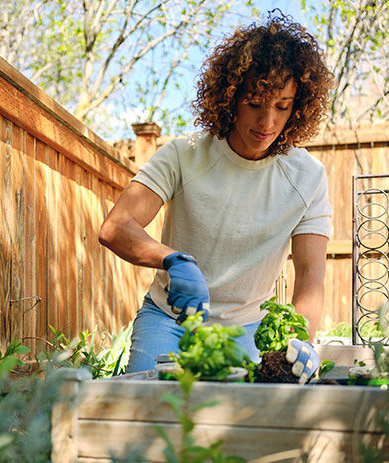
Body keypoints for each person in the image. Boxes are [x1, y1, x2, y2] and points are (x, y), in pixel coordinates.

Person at [99, 11, 334, 383]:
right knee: (145, 422)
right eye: (255, 102)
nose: (267, 122)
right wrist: (172, 260)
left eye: (282, 107)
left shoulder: (307, 178)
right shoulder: (185, 154)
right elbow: (116, 227)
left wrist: (301, 339)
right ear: (231, 96)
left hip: (247, 333)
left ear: (298, 106)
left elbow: (309, 275)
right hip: (169, 321)